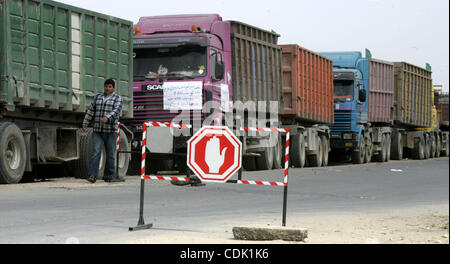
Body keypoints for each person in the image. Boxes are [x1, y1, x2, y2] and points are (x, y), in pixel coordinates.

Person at [82, 78, 124, 183]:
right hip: (98, 131)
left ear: (113, 88)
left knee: (110, 154)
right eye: (106, 86)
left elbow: (116, 111)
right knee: (96, 152)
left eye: (109, 87)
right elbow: (91, 110)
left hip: (111, 131)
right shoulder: (98, 97)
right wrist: (85, 122)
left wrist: (107, 118)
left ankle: (109, 176)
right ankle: (92, 175)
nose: (107, 88)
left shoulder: (117, 98)